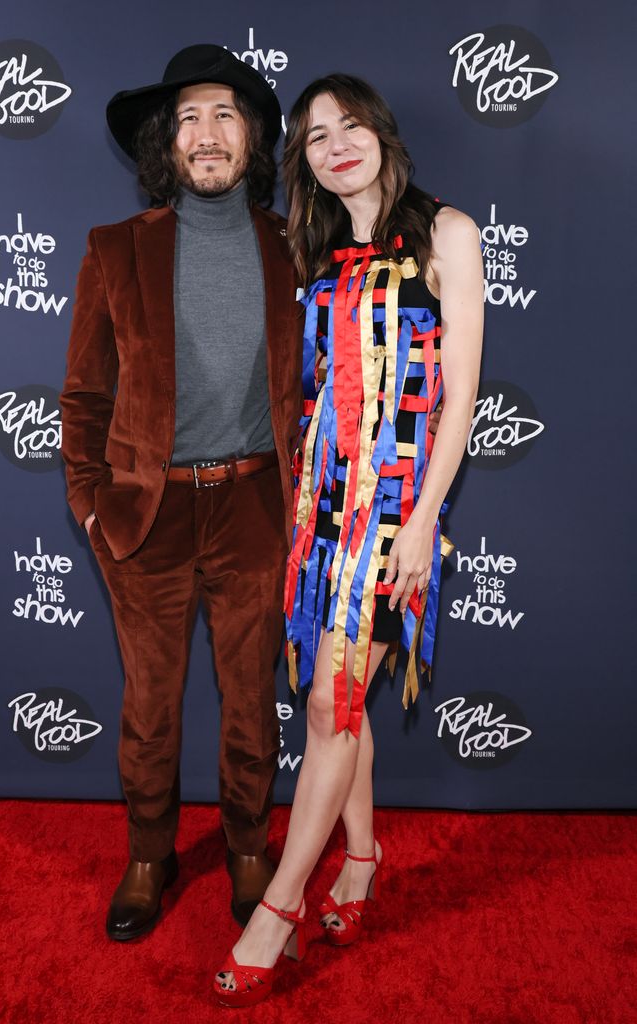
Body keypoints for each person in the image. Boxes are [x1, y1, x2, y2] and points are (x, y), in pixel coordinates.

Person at [214, 74, 484, 1007]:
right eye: (315, 136)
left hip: (398, 513)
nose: (335, 144)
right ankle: (361, 860)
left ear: (380, 133)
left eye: (350, 125)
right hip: (321, 511)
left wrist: (421, 522)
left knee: (334, 701)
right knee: (340, 697)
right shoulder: (317, 251)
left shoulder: (448, 235)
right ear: (307, 162)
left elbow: (460, 400)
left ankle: (279, 909)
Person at [59, 44, 305, 939]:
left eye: (226, 114)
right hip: (145, 515)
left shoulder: (294, 247)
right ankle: (149, 854)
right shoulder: (114, 249)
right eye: (190, 118)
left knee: (249, 698)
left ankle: (247, 846)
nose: (207, 135)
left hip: (255, 510)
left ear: (252, 140)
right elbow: (84, 396)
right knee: (149, 703)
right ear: (168, 140)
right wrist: (93, 503)